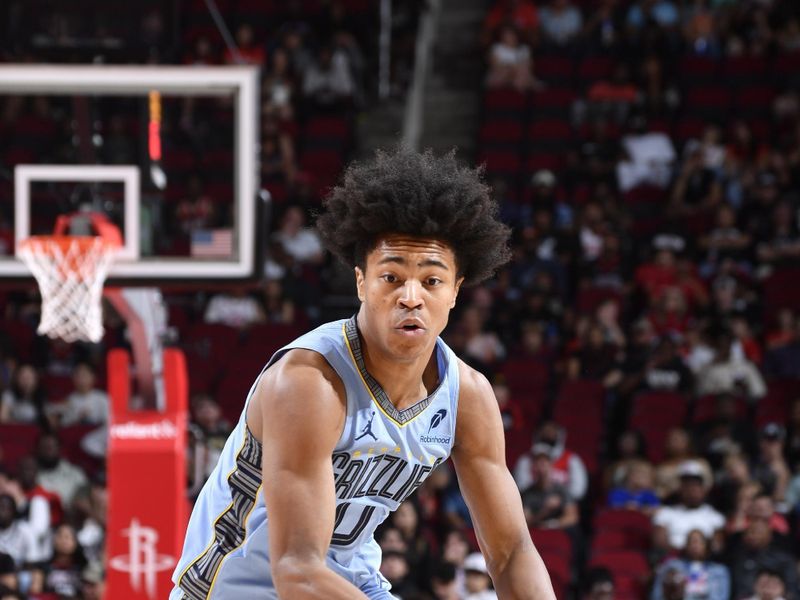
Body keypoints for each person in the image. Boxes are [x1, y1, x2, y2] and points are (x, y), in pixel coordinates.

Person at [170, 148, 556, 599]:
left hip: (350, 581)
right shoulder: (309, 381)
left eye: (431, 281)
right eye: (391, 277)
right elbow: (297, 571)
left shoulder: (467, 395)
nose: (411, 296)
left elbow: (511, 552)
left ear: (455, 291)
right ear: (360, 283)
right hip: (238, 589)